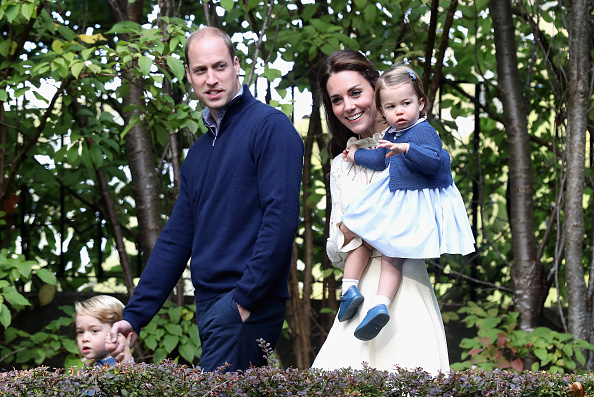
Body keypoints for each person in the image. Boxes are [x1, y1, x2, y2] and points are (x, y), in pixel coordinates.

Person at [106, 27, 304, 372]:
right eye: (201, 70)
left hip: (246, 305)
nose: (211, 79)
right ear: (188, 75)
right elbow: (177, 237)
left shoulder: (270, 127)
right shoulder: (198, 153)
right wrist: (134, 316)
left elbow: (281, 218)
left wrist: (245, 300)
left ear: (236, 66)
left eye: (220, 67)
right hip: (212, 304)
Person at [311, 50, 451, 374]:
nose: (348, 106)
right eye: (336, 99)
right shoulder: (340, 165)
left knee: (406, 380)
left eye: (356, 92)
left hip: (405, 282)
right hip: (357, 289)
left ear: (376, 88)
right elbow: (335, 249)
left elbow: (433, 218)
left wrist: (372, 228)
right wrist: (347, 233)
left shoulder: (412, 145)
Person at [338, 63, 476, 342]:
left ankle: (379, 304)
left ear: (421, 103)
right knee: (363, 238)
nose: (398, 112)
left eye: (406, 103)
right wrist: (355, 156)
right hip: (397, 197)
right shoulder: (391, 133)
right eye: (390, 107)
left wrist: (407, 148)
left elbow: (433, 162)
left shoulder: (423, 132)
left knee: (391, 255)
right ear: (381, 110)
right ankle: (350, 290)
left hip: (412, 204)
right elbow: (378, 160)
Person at [75, 295, 133, 366]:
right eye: (81, 332)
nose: (84, 339)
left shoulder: (120, 364)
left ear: (117, 332)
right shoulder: (89, 366)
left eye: (94, 331)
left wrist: (125, 357)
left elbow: (129, 375)